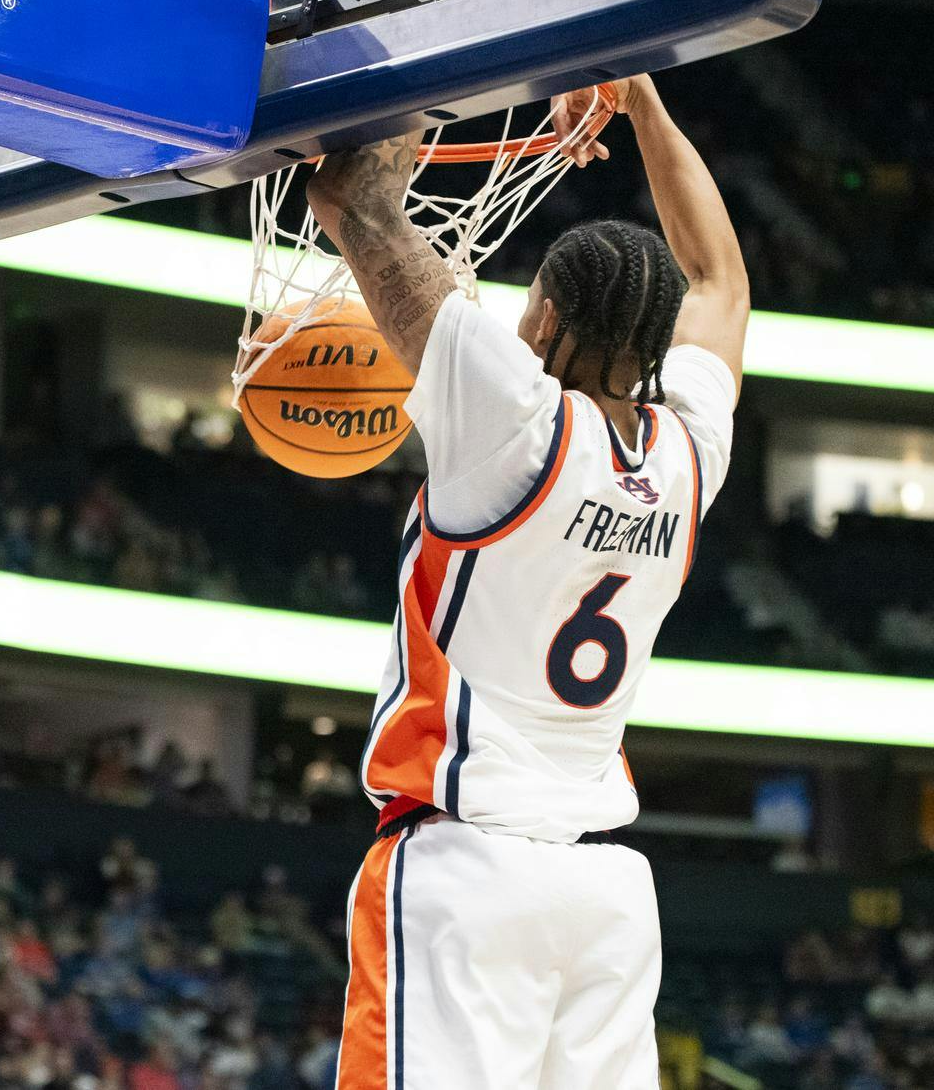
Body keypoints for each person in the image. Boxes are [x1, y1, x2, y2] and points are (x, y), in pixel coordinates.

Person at [307, 73, 745, 1087]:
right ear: (649, 345)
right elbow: (717, 280)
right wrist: (639, 103)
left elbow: (348, 200)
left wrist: (439, 66)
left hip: (468, 868)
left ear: (542, 317)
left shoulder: (510, 418)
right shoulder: (687, 454)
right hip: (604, 895)